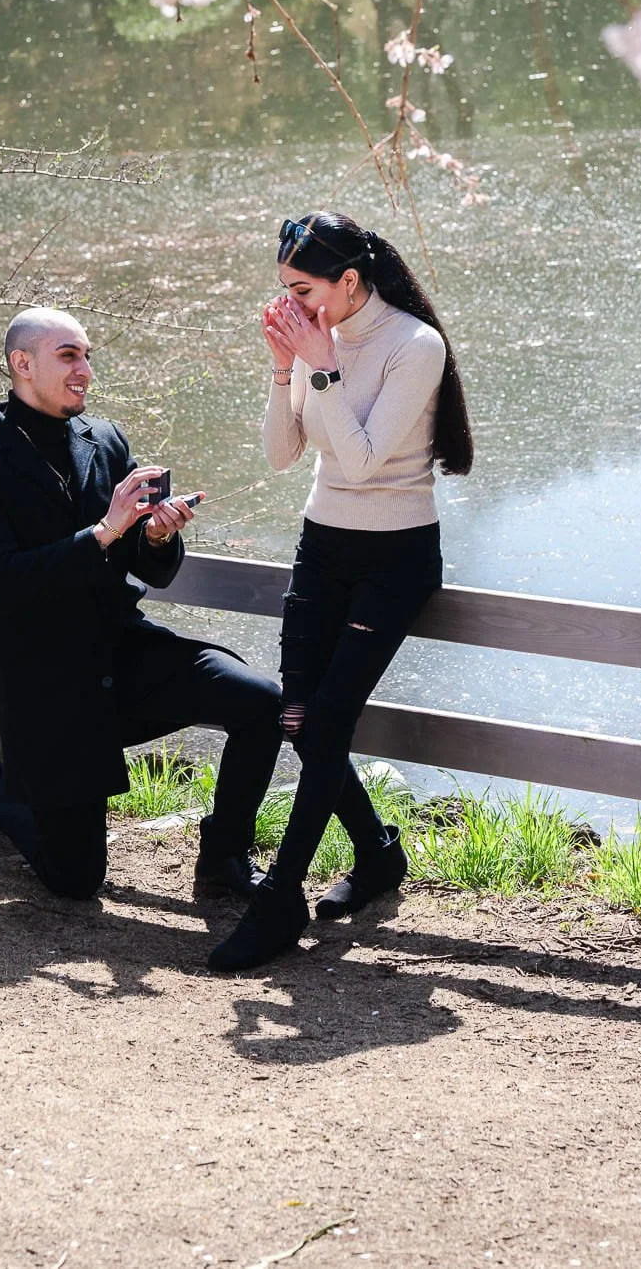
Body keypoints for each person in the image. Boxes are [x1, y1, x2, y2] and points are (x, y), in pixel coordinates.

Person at [0, 306, 282, 902]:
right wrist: (104, 532)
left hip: (122, 653)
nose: (85, 370)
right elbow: (1, 584)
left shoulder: (107, 440)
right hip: (46, 686)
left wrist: (157, 535)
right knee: (75, 881)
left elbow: (147, 569)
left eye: (87, 356)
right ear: (22, 364)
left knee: (261, 702)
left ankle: (223, 858)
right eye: (68, 356)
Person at [208, 212, 474, 972]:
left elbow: (359, 463)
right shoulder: (312, 340)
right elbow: (281, 454)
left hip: (394, 558)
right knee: (299, 721)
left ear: (350, 282)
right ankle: (378, 852)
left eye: (302, 289)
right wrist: (281, 366)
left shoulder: (414, 346)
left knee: (324, 723)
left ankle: (279, 900)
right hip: (322, 547)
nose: (289, 303)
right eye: (283, 291)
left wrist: (319, 364)